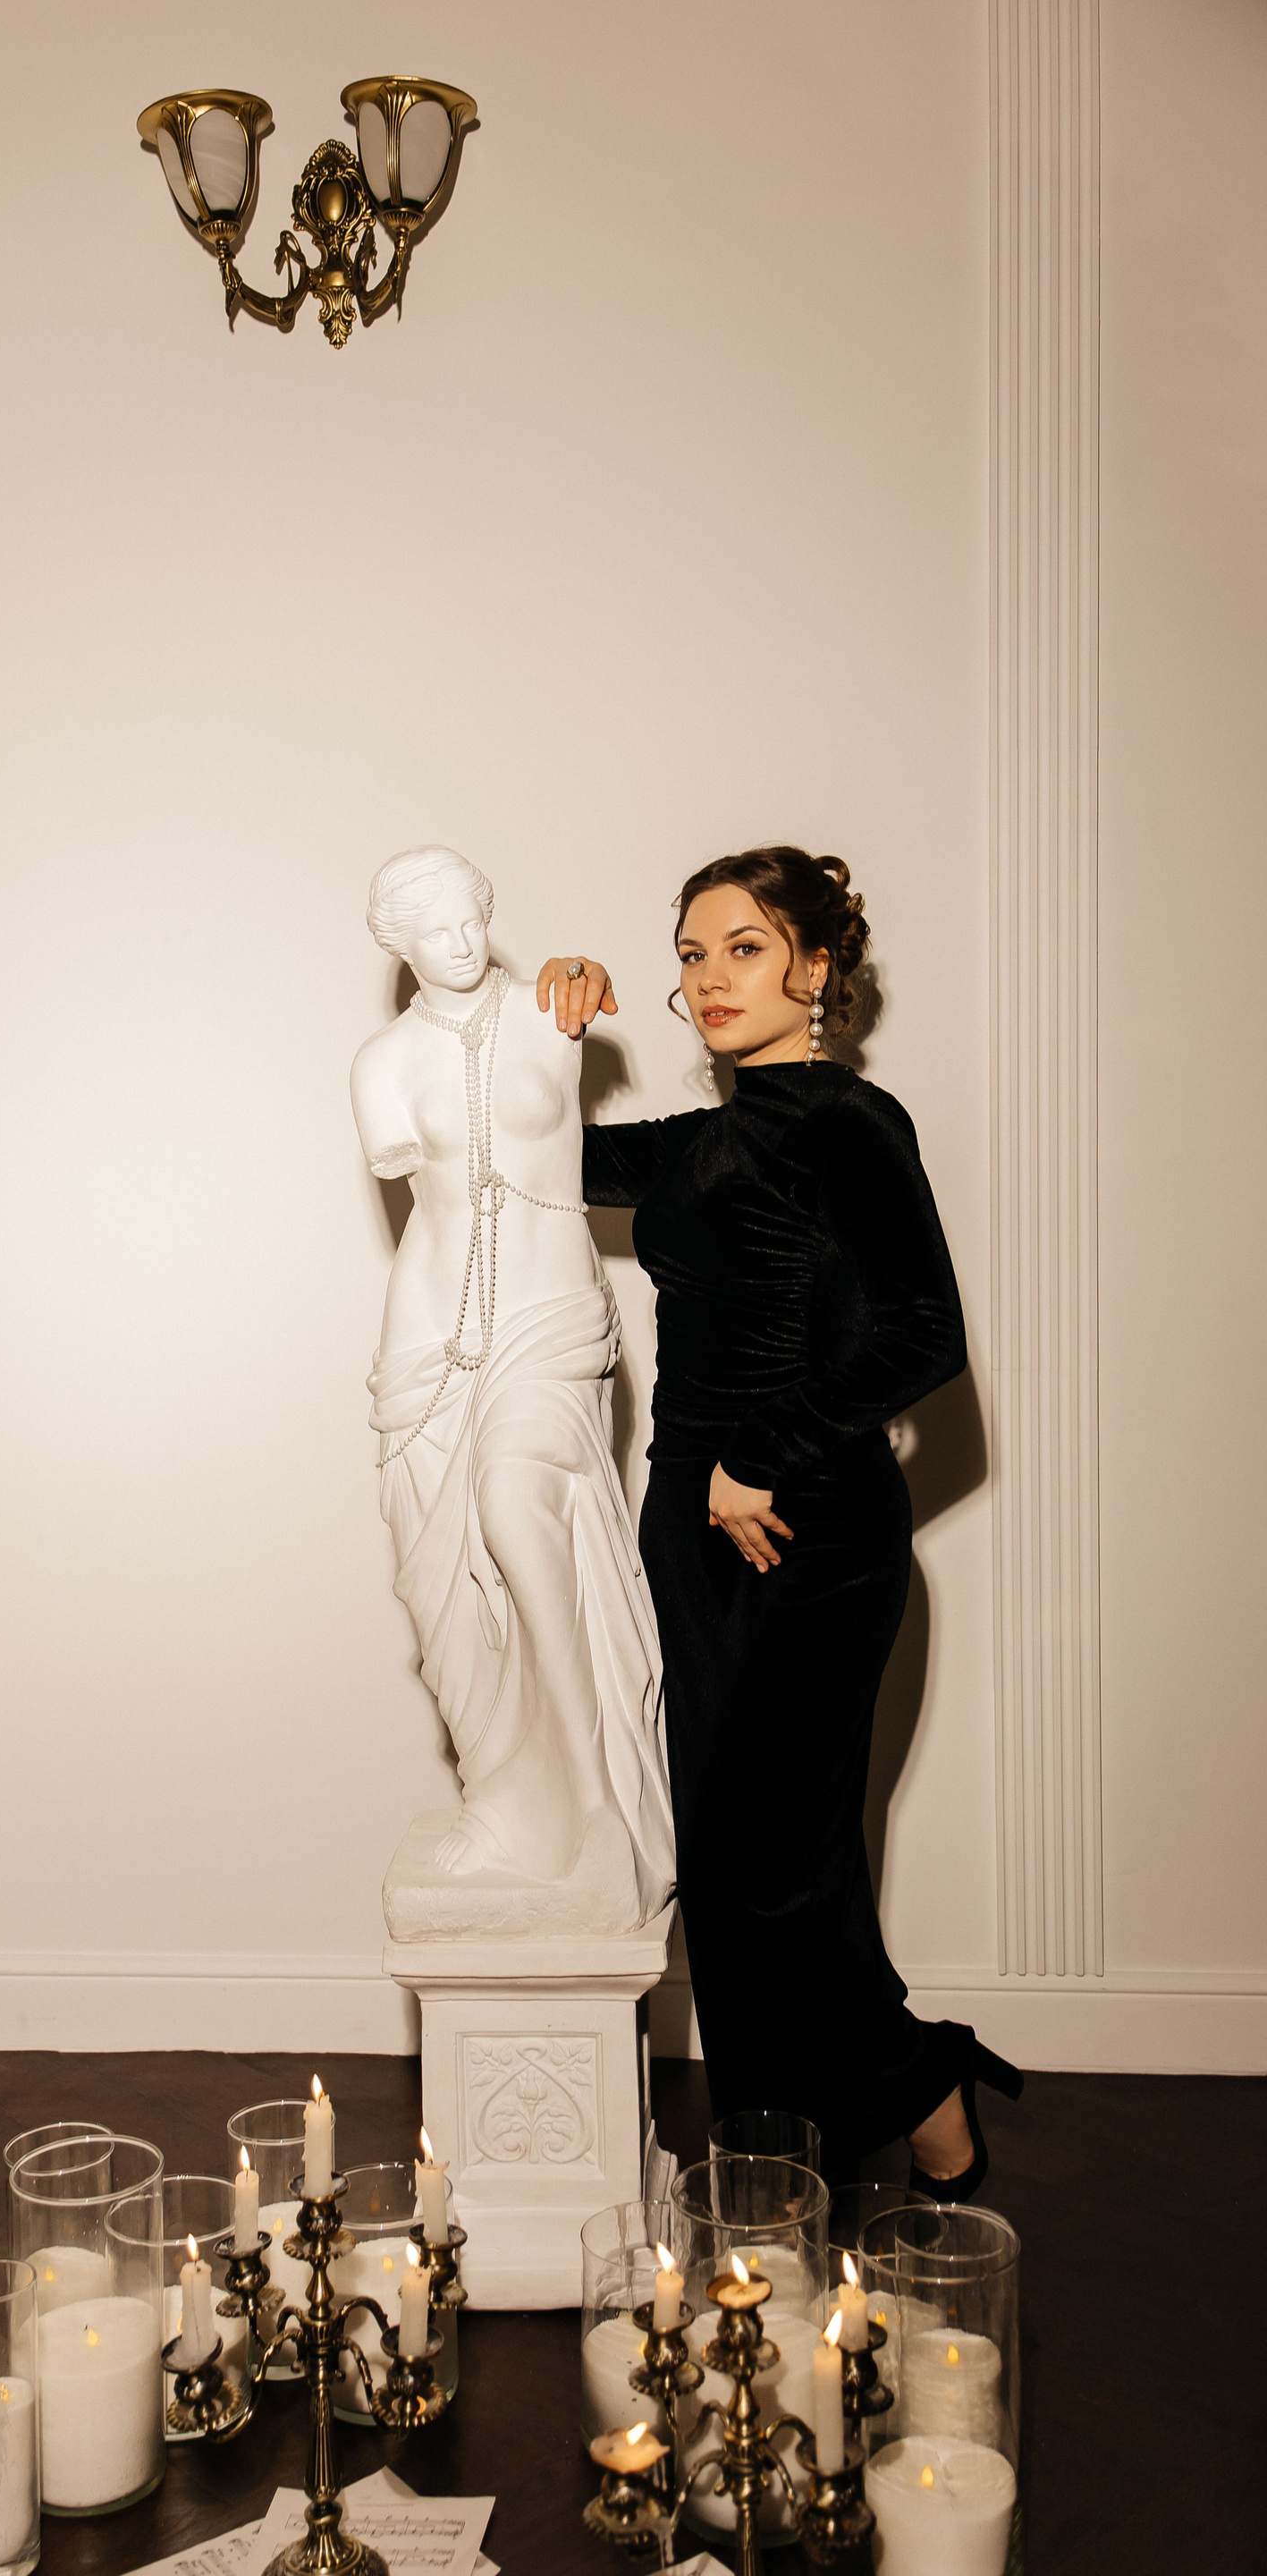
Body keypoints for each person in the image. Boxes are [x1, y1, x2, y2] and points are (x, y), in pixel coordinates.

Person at [536, 845, 1021, 2193]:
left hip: (812, 1532)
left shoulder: (853, 1125)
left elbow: (925, 1334)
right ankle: (779, 2156)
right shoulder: (699, 1143)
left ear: (815, 967)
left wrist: (759, 1453)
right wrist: (538, 1016)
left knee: (782, 1863)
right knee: (722, 1857)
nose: (709, 979)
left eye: (743, 948)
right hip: (691, 1528)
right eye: (691, 956)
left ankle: (893, 2094)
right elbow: (533, 1156)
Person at [351, 849, 674, 1938]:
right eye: (432, 930)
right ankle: (507, 1800)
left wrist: (577, 973)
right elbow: (424, 1200)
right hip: (433, 1341)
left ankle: (598, 1815)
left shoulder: (553, 1010)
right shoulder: (382, 1063)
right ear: (396, 944)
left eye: (470, 920)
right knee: (449, 1592)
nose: (458, 942)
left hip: (549, 1316)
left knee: (517, 1509)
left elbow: (575, 1005)